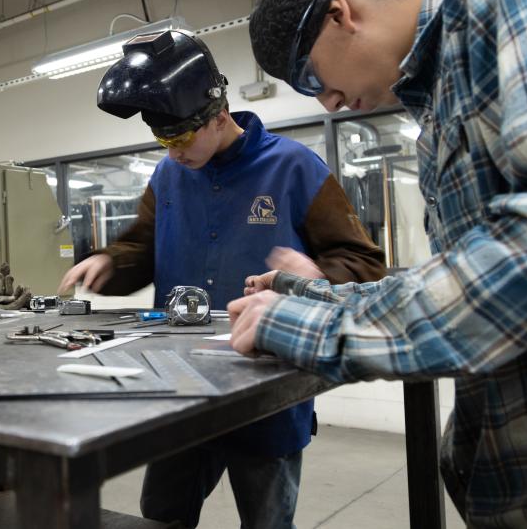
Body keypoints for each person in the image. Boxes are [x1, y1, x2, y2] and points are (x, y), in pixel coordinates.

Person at [231, 0, 527, 526]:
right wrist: (303, 295)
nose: (327, 103)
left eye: (310, 79)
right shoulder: (435, 112)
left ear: (340, 13)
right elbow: (462, 279)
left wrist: (315, 332)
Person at [59, 29, 385, 528]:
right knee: (160, 516)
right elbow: (141, 248)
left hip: (265, 387)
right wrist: (110, 262)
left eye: (181, 138)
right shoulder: (169, 176)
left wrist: (316, 276)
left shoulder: (294, 167)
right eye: (163, 140)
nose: (173, 153)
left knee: (267, 521)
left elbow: (363, 264)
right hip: (180, 386)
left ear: (219, 116)